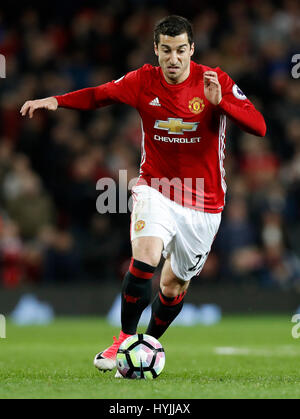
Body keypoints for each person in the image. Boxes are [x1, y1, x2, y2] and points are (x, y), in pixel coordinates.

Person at [20, 15, 266, 377]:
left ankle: (147, 345)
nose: (173, 59)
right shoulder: (142, 80)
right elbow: (100, 95)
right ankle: (123, 339)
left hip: (204, 201)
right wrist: (57, 101)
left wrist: (222, 103)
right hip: (157, 189)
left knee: (173, 284)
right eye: (166, 50)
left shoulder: (215, 81)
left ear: (191, 50)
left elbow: (259, 126)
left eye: (181, 50)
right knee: (146, 257)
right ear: (156, 50)